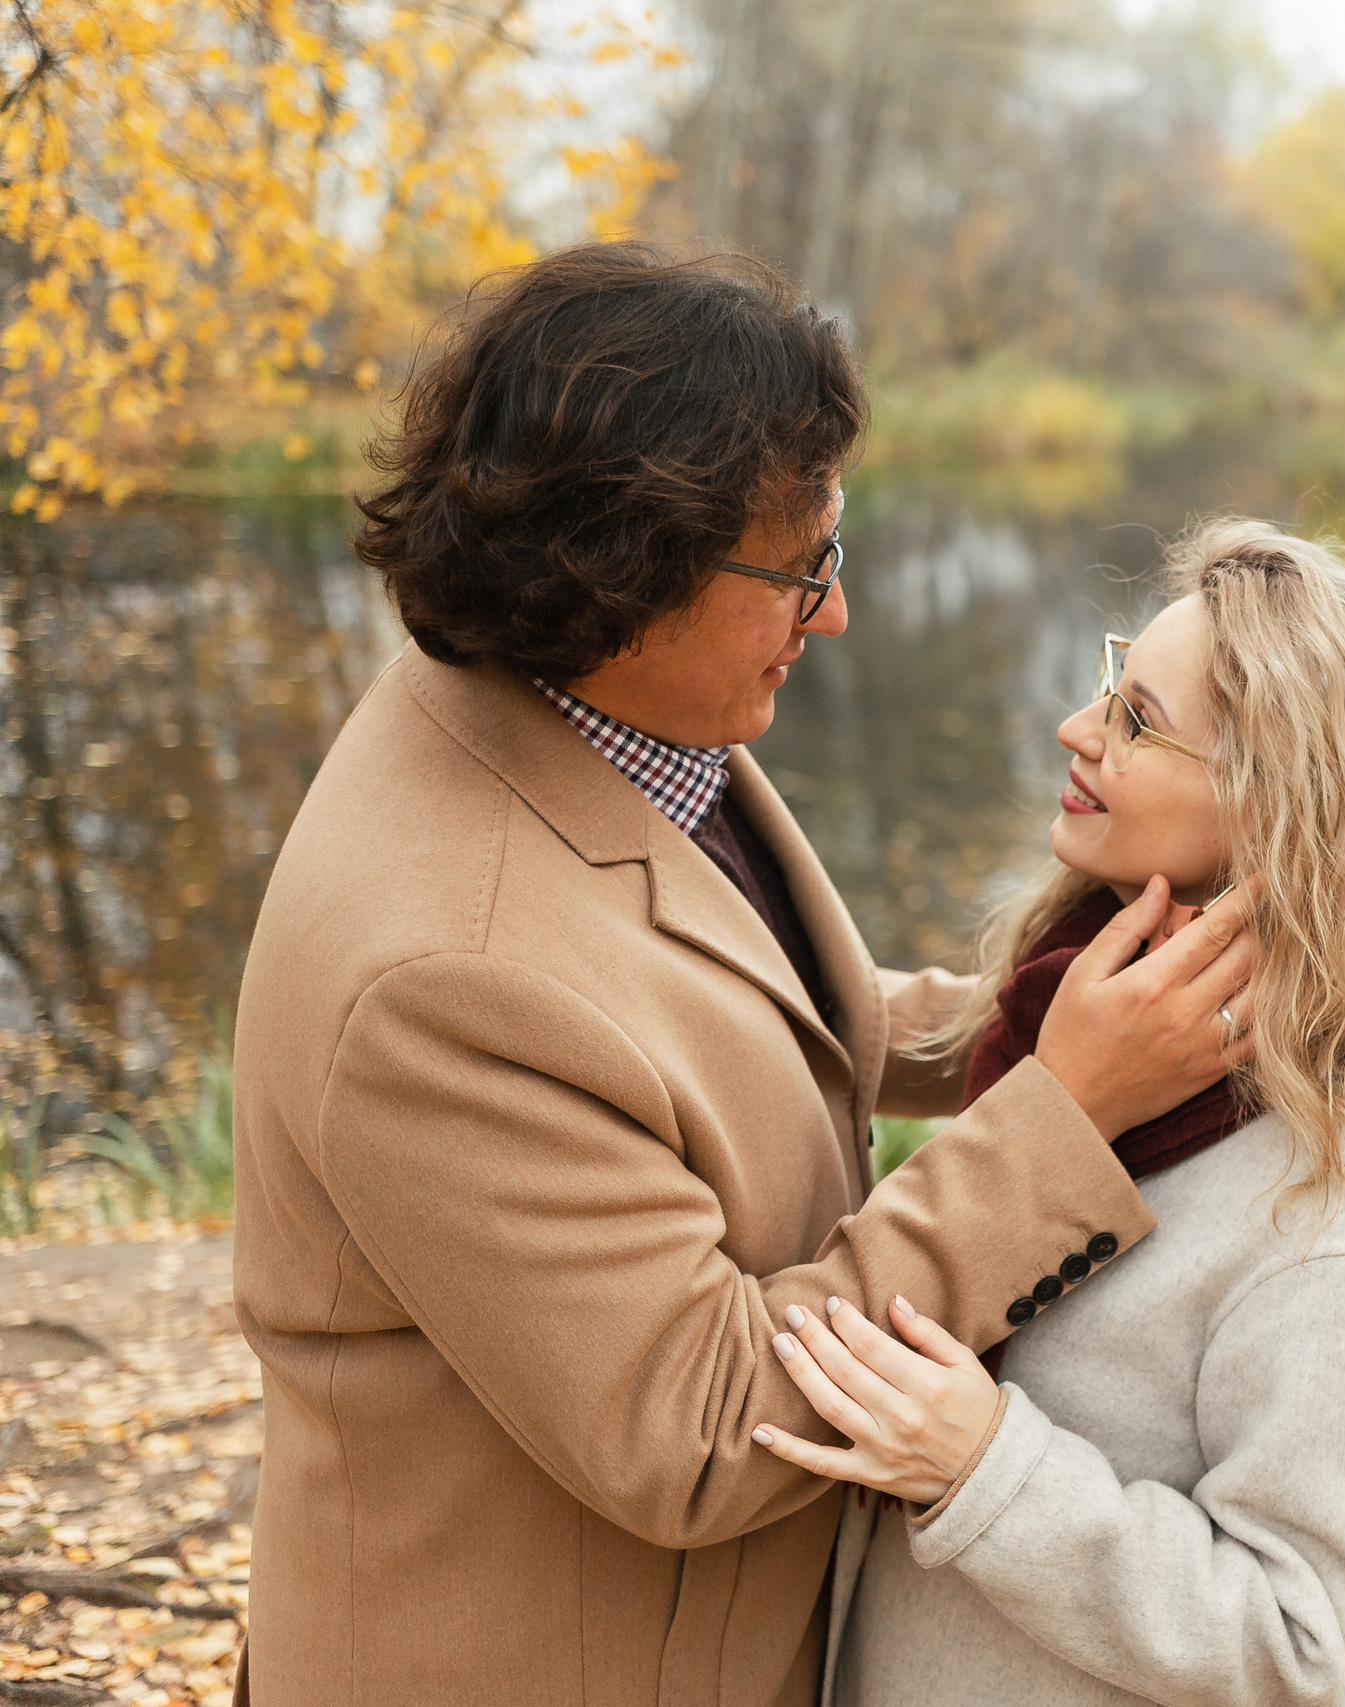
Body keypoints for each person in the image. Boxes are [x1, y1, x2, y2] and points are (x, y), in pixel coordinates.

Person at [227, 242, 1252, 1706]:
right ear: (622, 570)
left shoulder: (570, 704)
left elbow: (731, 1007)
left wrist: (1036, 1018)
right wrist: (1065, 1113)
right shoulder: (441, 976)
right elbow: (696, 1425)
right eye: (801, 569)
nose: (832, 611)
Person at [744, 519, 1345, 1707]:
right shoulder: (1076, 1027)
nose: (1079, 729)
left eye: (1136, 721)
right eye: (1110, 685)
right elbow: (905, 1031)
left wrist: (984, 1468)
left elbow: (1300, 1650)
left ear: (1281, 807)